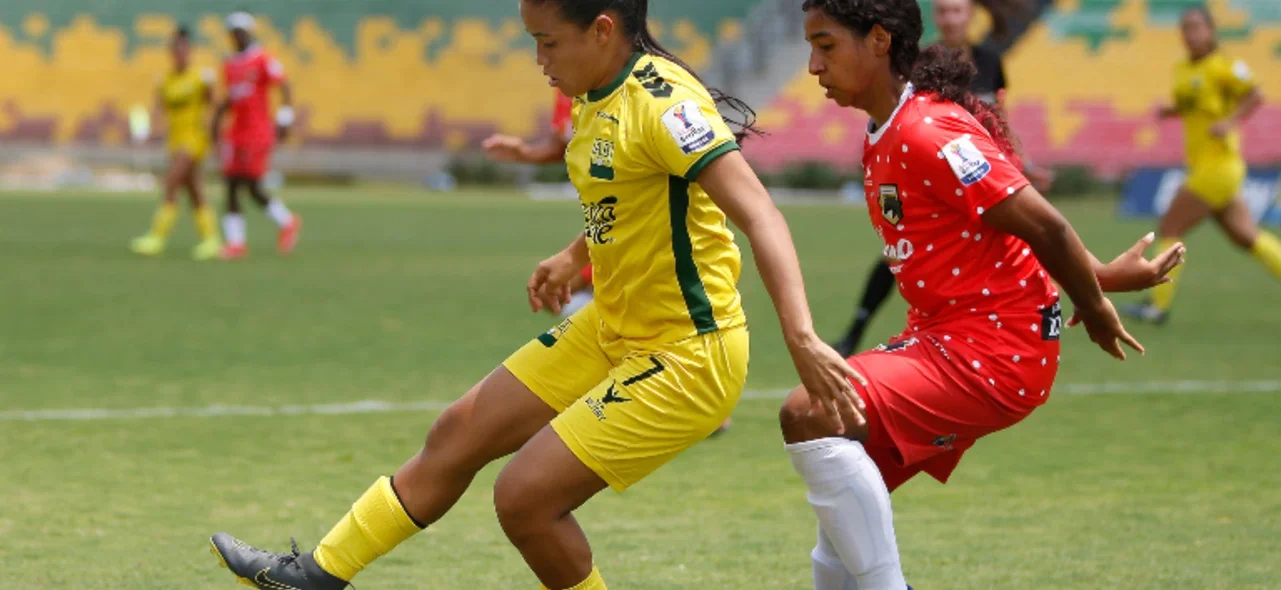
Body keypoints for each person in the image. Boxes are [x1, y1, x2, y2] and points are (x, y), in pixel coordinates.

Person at [209, 1, 857, 588]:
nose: (539, 59)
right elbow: (636, 195)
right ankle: (317, 576)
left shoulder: (664, 106)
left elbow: (762, 215)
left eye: (548, 42)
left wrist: (801, 338)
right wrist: (575, 255)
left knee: (525, 499)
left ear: (601, 30)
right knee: (457, 433)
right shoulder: (593, 92)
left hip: (687, 355)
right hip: (613, 327)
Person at [780, 1, 1186, 588]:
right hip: (942, 337)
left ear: (878, 41)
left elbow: (1045, 225)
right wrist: (1100, 274)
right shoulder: (888, 129)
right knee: (842, 524)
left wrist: (1095, 304)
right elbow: (997, 236)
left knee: (810, 411)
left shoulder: (927, 131)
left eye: (825, 46)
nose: (814, 66)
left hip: (993, 349)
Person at [832, 0, 1054, 357]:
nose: (950, 19)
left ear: (971, 14)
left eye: (957, 11)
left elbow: (999, 119)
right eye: (943, 11)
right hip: (931, 178)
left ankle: (996, 337)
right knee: (899, 254)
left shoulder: (990, 62)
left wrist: (1022, 164)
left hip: (980, 177)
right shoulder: (920, 62)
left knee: (1003, 249)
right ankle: (857, 332)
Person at [1123, 6, 1279, 324]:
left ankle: (1157, 306)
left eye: (1196, 27)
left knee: (1170, 227)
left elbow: (1255, 94)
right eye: (1185, 28)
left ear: (1211, 31)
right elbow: (1193, 104)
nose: (1190, 34)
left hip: (1218, 167)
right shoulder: (1182, 69)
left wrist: (1230, 122)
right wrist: (1170, 111)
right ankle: (1157, 305)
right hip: (1207, 168)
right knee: (1247, 237)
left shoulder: (1224, 65)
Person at [211, 11, 302, 260]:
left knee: (245, 183)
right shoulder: (229, 65)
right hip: (235, 133)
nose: (237, 36)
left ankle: (282, 223)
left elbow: (284, 86)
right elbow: (231, 99)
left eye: (241, 32)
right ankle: (241, 241)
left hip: (257, 132)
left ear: (250, 32)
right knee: (235, 185)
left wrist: (285, 118)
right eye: (234, 33)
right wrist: (216, 125)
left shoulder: (263, 59)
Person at [129, 27, 223, 260]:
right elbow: (158, 110)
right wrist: (148, 133)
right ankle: (211, 240)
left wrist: (216, 134)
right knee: (194, 189)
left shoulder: (201, 78)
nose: (179, 53)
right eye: (175, 49)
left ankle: (157, 237)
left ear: (189, 50)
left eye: (183, 48)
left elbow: (216, 107)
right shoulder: (165, 81)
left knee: (171, 181)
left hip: (194, 139)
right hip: (175, 140)